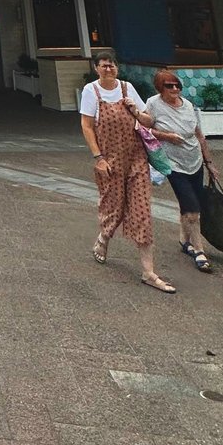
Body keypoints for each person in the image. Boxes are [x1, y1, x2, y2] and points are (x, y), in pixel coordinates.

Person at [79, 49, 175, 293]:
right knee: (113, 208)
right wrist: (98, 157)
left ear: (117, 67)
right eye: (103, 66)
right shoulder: (92, 91)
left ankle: (149, 272)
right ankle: (103, 239)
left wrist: (135, 110)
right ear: (96, 68)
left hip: (135, 158)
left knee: (142, 210)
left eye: (111, 65)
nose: (108, 69)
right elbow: (87, 125)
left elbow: (148, 121)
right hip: (110, 160)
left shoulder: (127, 88)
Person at [145, 69, 218, 272]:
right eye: (169, 86)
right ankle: (199, 251)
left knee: (189, 204)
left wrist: (209, 162)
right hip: (173, 164)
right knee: (193, 210)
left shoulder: (188, 106)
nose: (175, 89)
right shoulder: (153, 104)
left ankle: (184, 240)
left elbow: (200, 135)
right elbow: (144, 130)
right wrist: (166, 136)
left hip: (194, 161)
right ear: (160, 87)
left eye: (177, 85)